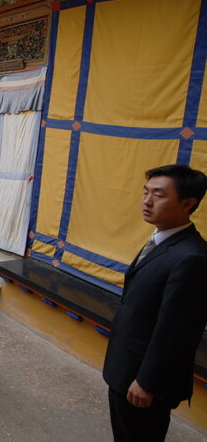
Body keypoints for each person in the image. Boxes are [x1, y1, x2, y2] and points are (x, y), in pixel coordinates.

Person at [102, 164, 207, 441]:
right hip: (127, 368)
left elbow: (178, 331)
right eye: (145, 192)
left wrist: (147, 382)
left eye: (158, 195)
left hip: (143, 382)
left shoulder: (192, 257)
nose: (147, 202)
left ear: (188, 204)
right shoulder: (162, 239)